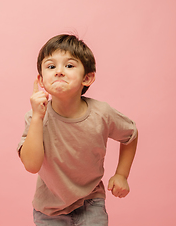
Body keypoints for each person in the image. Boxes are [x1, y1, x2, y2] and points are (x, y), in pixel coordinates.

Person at [17, 34, 138, 226]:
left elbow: (130, 135)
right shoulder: (35, 118)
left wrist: (122, 175)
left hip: (90, 202)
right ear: (41, 80)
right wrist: (38, 117)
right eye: (51, 66)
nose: (59, 71)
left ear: (87, 78)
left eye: (69, 65)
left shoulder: (102, 114)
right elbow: (31, 166)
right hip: (49, 210)